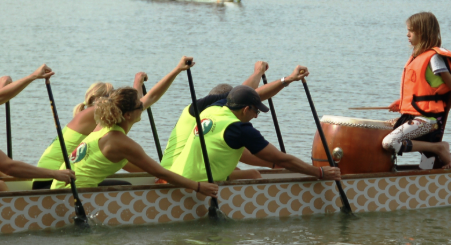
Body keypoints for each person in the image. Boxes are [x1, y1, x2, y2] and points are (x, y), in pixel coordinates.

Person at [50, 57, 218, 199]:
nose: (143, 106)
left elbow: (150, 97)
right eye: (139, 106)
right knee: (125, 187)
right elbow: (162, 173)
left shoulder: (104, 124)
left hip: (59, 187)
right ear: (128, 115)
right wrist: (198, 186)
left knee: (123, 185)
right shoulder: (121, 142)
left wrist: (177, 70)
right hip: (69, 196)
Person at [160, 62, 308, 181]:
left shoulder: (195, 113)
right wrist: (275, 163)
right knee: (253, 175)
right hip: (180, 177)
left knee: (234, 169)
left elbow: (246, 93)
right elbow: (248, 92)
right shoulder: (213, 111)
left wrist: (258, 72)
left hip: (166, 173)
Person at [170, 82, 341, 183]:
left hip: (173, 178)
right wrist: (320, 173)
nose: (256, 116)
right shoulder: (239, 129)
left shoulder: (212, 109)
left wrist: (287, 80)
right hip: (195, 186)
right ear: (245, 109)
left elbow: (238, 93)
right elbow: (281, 158)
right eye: (256, 112)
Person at [384, 12, 451, 169]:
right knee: (426, 168)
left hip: (428, 121)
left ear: (423, 32)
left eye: (411, 31)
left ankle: (438, 148)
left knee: (389, 142)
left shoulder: (435, 58)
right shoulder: (416, 57)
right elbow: (423, 93)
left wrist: (438, 115)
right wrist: (402, 104)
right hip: (415, 117)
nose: (407, 34)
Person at [31, 80, 119, 189]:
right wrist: (137, 82)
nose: (116, 102)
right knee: (124, 186)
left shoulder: (89, 118)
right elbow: (132, 108)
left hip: (48, 180)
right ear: (97, 99)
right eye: (112, 96)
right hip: (51, 182)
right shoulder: (93, 113)